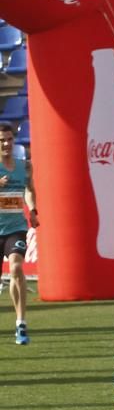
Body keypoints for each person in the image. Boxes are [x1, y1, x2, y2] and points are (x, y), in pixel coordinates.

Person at [0, 123, 38, 345]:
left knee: (16, 267)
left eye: (9, 139)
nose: (6, 144)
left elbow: (30, 190)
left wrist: (32, 210)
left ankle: (20, 323)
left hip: (16, 227)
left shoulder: (24, 166)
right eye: (1, 140)